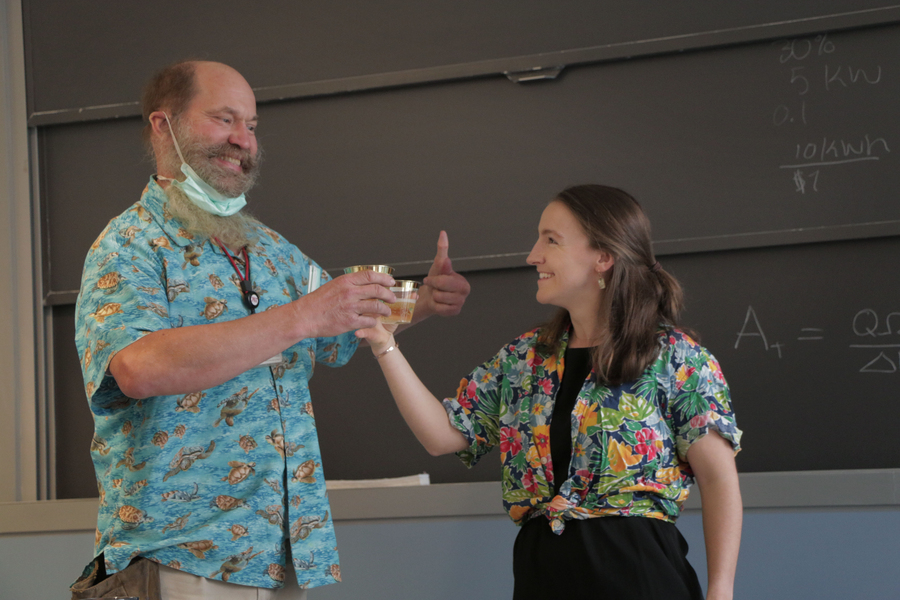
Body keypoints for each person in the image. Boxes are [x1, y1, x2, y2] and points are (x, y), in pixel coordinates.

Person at [71, 60, 471, 599]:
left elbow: (337, 330)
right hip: (184, 553)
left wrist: (421, 302)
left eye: (253, 125)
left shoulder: (269, 248)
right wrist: (300, 316)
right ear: (163, 126)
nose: (243, 140)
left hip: (283, 555)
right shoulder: (128, 244)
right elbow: (138, 367)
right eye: (224, 119)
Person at [356, 184, 743, 600]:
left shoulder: (677, 358)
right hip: (542, 575)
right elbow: (443, 436)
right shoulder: (525, 358)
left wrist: (720, 592)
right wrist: (385, 344)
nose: (532, 255)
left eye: (551, 240)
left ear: (603, 257)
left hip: (639, 577)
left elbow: (718, 479)